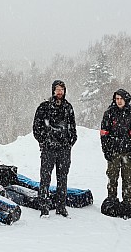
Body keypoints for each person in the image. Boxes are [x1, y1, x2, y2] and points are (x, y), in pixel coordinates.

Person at [33, 80, 77, 218]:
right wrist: (44, 141)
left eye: (62, 89)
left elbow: (73, 128)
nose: (59, 92)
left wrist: (70, 142)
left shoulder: (68, 107)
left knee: (62, 179)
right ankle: (44, 207)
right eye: (57, 89)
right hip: (48, 149)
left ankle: (61, 207)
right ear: (53, 90)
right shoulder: (44, 107)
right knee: (45, 178)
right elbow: (36, 127)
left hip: (64, 150)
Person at [100, 89, 131, 219]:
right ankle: (112, 201)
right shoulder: (109, 112)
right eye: (117, 98)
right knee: (112, 178)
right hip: (113, 152)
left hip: (128, 152)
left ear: (126, 99)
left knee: (127, 179)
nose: (119, 101)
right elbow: (104, 133)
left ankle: (126, 203)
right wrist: (106, 150)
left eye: (121, 98)